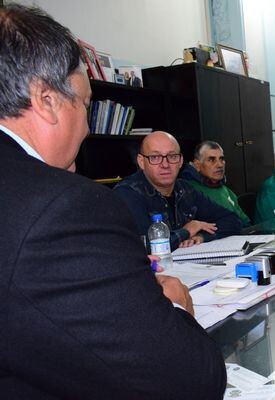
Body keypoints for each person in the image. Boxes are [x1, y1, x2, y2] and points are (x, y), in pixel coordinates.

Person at [0, 5, 226, 398]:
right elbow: (190, 380)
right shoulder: (65, 209)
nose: (88, 127)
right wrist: (173, 306)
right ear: (47, 100)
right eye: (85, 104)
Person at [114, 131, 242, 250]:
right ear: (141, 162)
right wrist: (187, 231)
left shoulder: (186, 190)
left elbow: (232, 220)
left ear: (180, 161)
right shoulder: (127, 194)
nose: (165, 165)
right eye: (155, 157)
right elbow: (144, 246)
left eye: (172, 156)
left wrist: (202, 236)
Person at [180, 140, 250, 225]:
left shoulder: (226, 190)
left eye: (221, 159)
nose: (219, 165)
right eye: (211, 160)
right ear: (197, 165)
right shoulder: (188, 191)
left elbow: (245, 221)